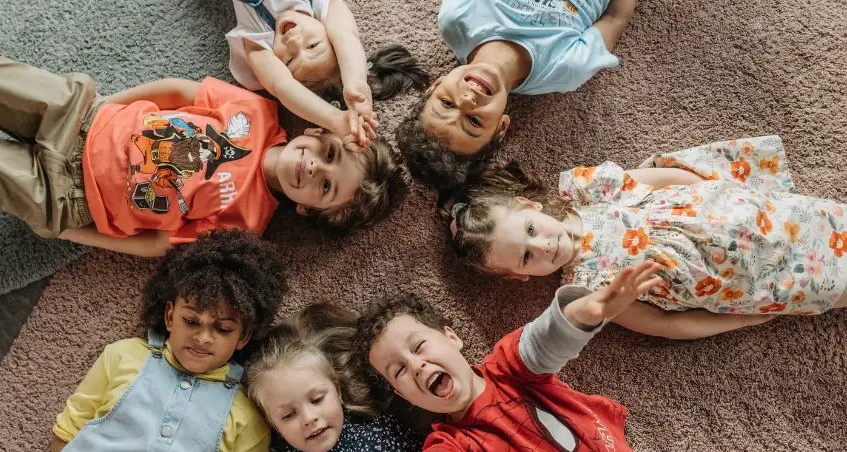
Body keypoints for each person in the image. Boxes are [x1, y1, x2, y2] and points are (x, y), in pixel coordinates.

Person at [0, 35, 404, 257]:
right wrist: (105, 105)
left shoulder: (246, 226)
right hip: (79, 117)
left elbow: (159, 244)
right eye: (329, 156)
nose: (315, 169)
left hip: (68, 198)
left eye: (325, 188)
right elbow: (179, 91)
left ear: (307, 210)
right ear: (317, 132)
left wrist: (64, 230)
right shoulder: (258, 113)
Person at [359, 262, 702, 452]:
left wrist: (584, 313)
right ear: (403, 394)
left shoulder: (509, 366)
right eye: (399, 371)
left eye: (419, 346)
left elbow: (542, 341)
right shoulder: (454, 446)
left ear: (452, 337)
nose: (416, 365)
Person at [446, 136, 847, 338]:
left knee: (826, 223)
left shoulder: (590, 192)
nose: (543, 246)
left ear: (529, 205)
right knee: (829, 285)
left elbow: (663, 180)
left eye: (531, 231)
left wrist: (716, 192)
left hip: (744, 213)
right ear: (519, 276)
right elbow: (664, 323)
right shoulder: (589, 290)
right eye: (526, 257)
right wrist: (738, 320)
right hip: (741, 281)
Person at [47, 228, 288, 452]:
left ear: (243, 337)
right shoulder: (122, 356)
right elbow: (67, 431)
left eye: (223, 329)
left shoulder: (248, 418)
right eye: (191, 321)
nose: (203, 338)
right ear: (170, 316)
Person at [396, 0, 638, 192]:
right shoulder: (566, 70)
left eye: (447, 103)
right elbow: (614, 17)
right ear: (501, 127)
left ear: (435, 85)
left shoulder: (457, 19)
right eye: (474, 121)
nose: (467, 101)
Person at [245, 303, 421, 452]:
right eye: (288, 415)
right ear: (273, 424)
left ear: (337, 391)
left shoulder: (386, 433)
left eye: (317, 399)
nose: (309, 418)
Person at [225, 0, 429, 149]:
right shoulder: (319, 7)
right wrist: (356, 84)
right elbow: (345, 35)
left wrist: (333, 119)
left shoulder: (259, 34)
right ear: (327, 30)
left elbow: (281, 85)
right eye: (312, 45)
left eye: (289, 60)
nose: (293, 42)